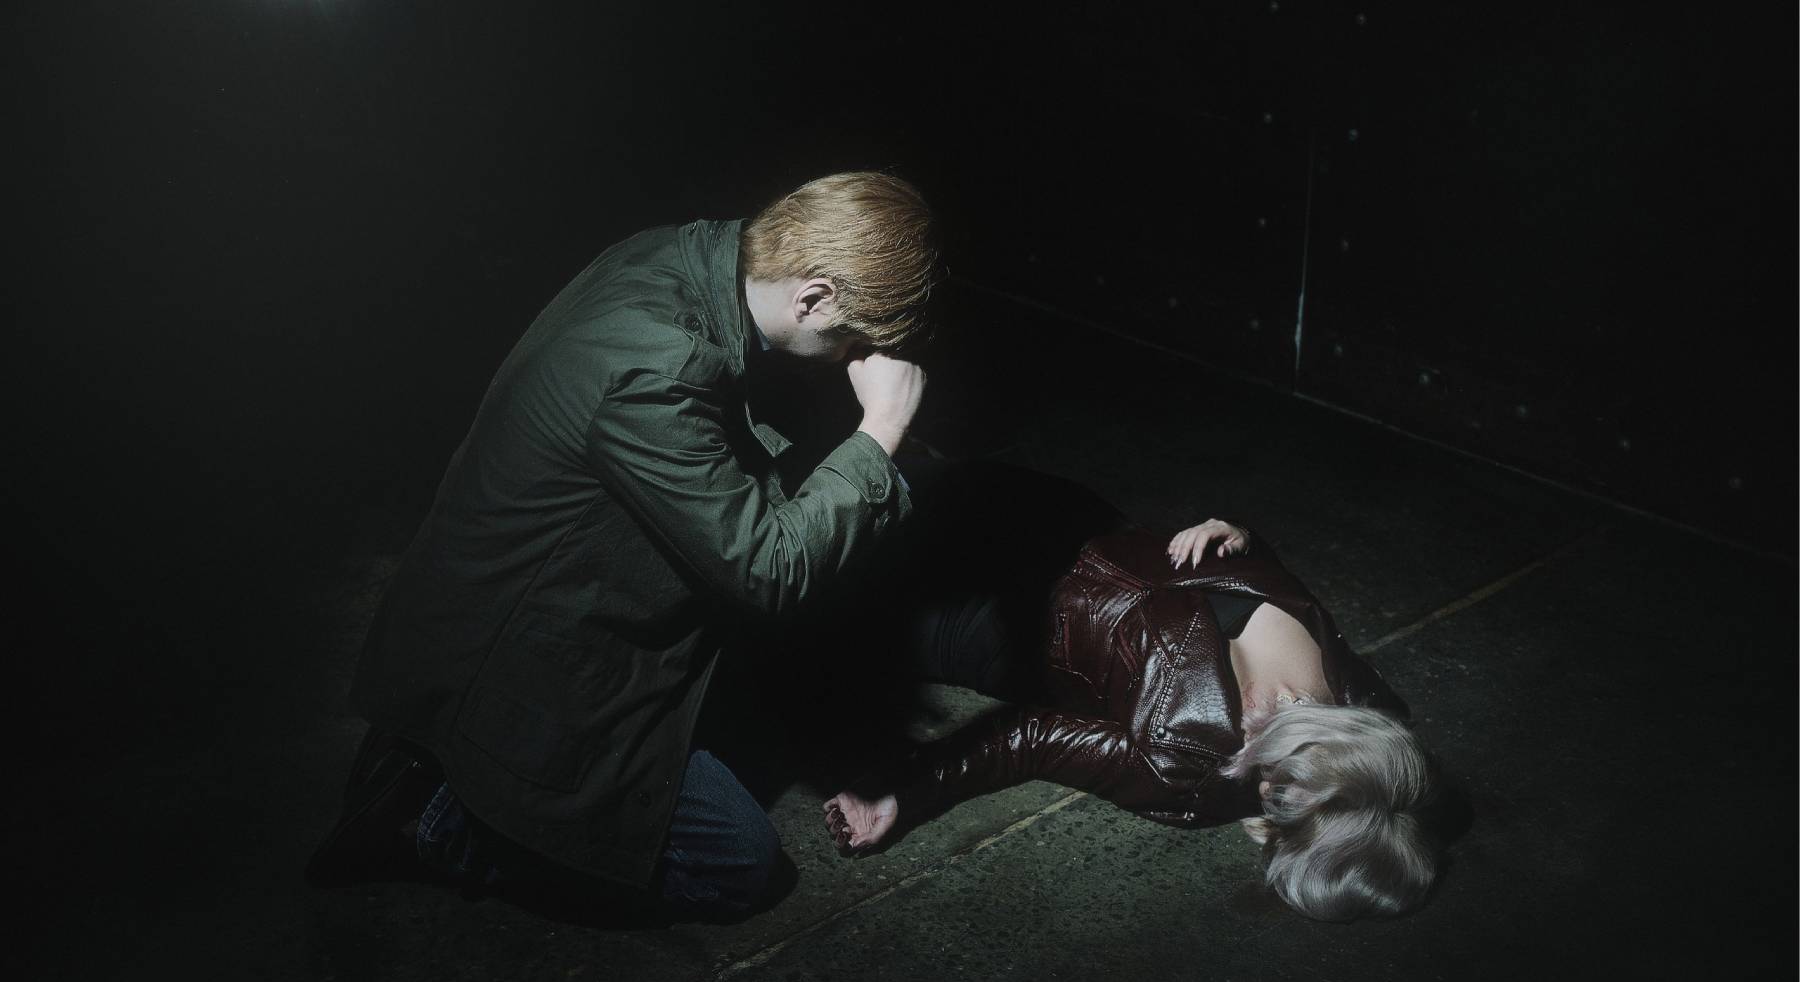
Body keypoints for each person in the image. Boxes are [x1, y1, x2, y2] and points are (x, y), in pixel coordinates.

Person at [307, 171, 944, 920]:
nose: (848, 363)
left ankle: (448, 768)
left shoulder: (680, 255)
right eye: (851, 344)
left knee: (794, 628)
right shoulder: (657, 367)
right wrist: (881, 432)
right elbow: (770, 569)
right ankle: (431, 818)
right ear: (812, 298)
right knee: (739, 866)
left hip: (516, 597)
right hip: (521, 667)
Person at [821, 466, 1441, 922]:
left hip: (996, 622)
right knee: (885, 474)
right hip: (1069, 521)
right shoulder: (1370, 701)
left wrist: (905, 792)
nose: (1266, 792)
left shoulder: (1186, 768)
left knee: (821, 574)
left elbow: (1031, 739)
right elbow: (1260, 580)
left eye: (1278, 807)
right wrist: (1241, 537)